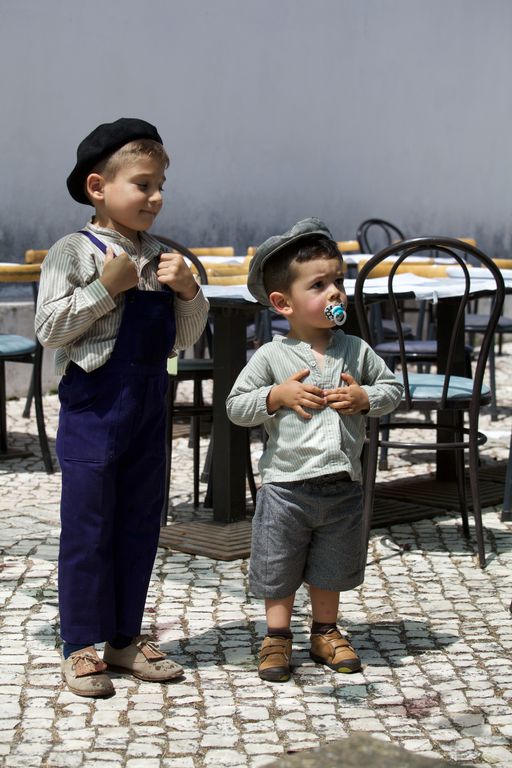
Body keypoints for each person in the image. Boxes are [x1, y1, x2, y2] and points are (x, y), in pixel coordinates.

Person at [36, 118, 210, 697]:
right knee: (88, 526)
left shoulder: (163, 257)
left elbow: (185, 338)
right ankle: (80, 644)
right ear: (98, 187)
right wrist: (105, 287)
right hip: (94, 406)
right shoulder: (71, 253)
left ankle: (124, 638)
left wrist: (189, 292)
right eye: (142, 184)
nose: (155, 197)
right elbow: (49, 330)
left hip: (149, 407)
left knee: (138, 522)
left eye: (161, 186)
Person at [226, 218, 403, 682]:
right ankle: (276, 636)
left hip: (342, 485)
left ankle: (326, 630)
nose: (335, 293)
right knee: (278, 564)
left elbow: (393, 388)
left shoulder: (356, 350)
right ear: (283, 303)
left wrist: (366, 397)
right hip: (285, 487)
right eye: (319, 285)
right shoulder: (271, 356)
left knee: (332, 564)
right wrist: (275, 396)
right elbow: (236, 406)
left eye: (338, 281)